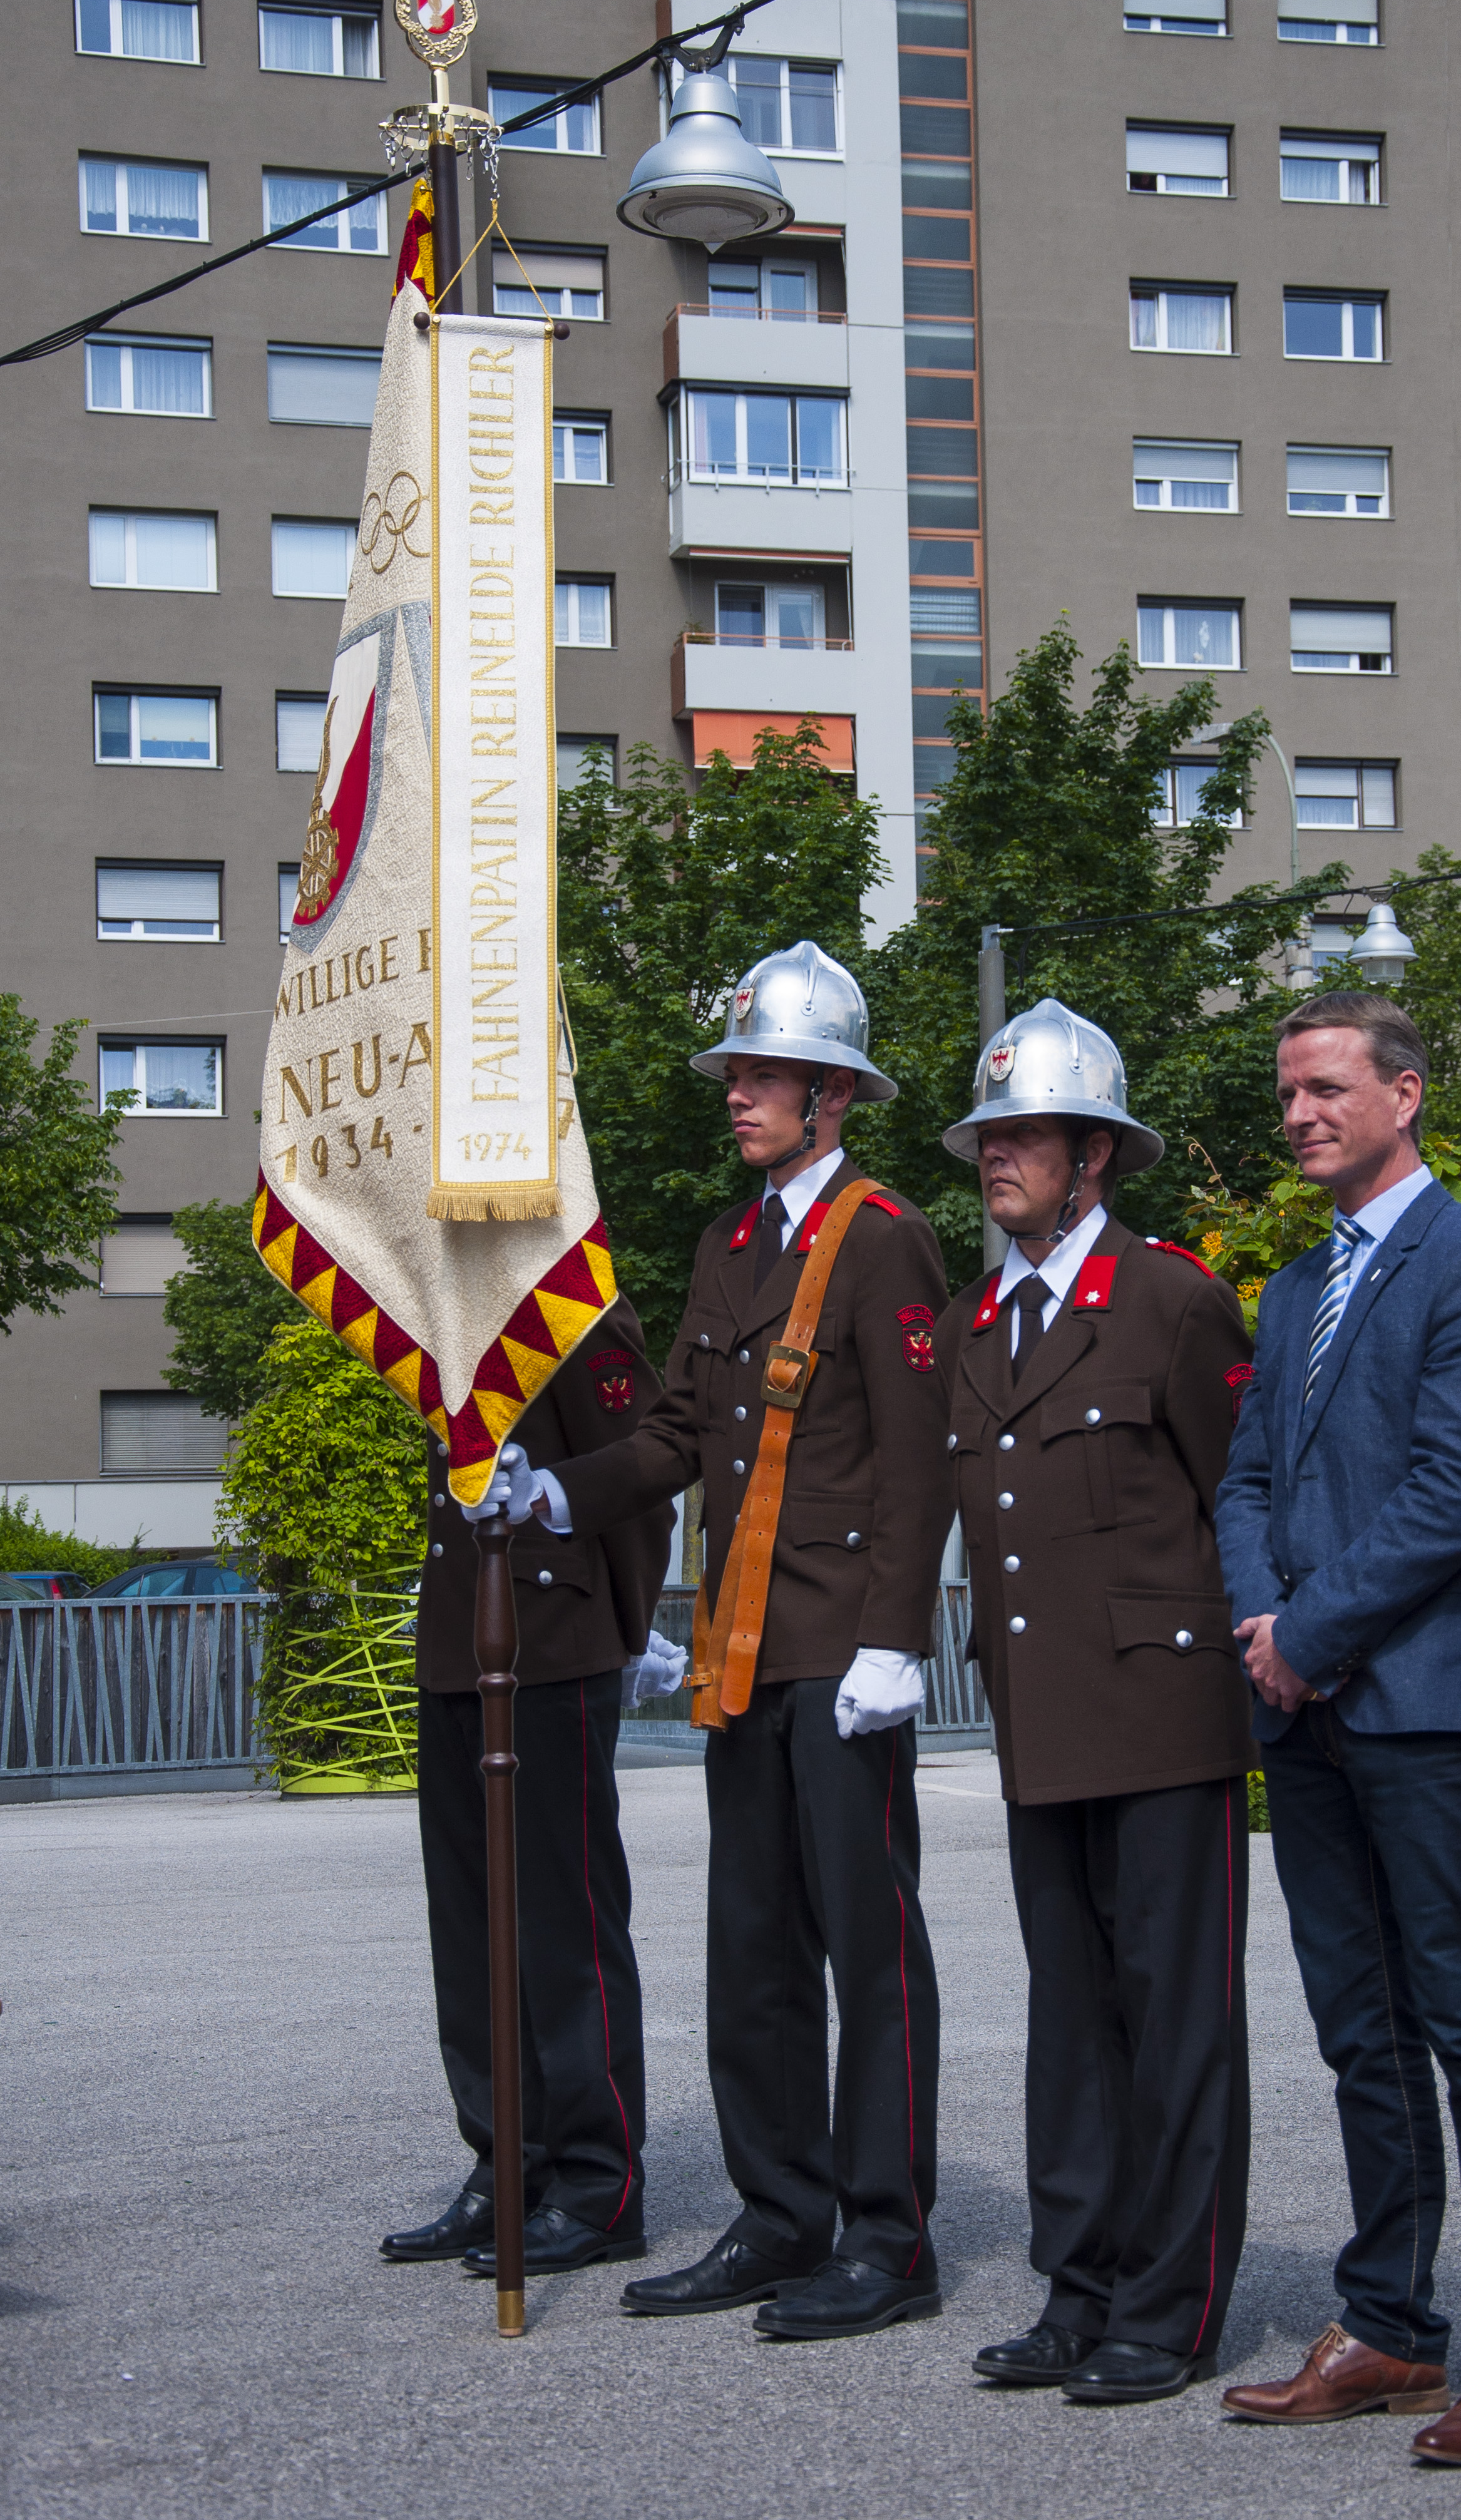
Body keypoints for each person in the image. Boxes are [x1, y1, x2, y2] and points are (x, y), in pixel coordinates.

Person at [1214, 986, 1461, 2469]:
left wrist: (1305, 1634)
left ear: (1404, 1092)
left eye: (1322, 1087)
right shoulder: (1295, 1287)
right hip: (1300, 1712)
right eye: (1285, 1092)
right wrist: (1262, 1625)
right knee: (1355, 2025)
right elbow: (1244, 1477)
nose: (1297, 1112)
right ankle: (1386, 2322)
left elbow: (1452, 1491)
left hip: (1427, 1706)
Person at [571, 941, 954, 2340]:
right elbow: (678, 1429)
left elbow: (920, 1458)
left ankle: (886, 2234)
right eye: (736, 1071)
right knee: (753, 1946)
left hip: (840, 1649)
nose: (738, 1092)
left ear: (831, 1094)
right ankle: (780, 2211)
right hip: (743, 1649)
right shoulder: (731, 1243)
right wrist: (568, 1485)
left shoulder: (883, 1235)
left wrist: (894, 1636)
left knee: (869, 1945)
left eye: (765, 1073)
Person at [933, 1000, 1256, 2407]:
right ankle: (1081, 2280)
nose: (997, 1156)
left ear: (1093, 1158)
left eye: (1025, 1136)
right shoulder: (972, 1316)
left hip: (1163, 1708)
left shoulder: (1172, 1300)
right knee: (1068, 2017)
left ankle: (1168, 2304)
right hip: (1039, 1713)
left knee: (1172, 2018)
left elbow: (1235, 1488)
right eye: (988, 1135)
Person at [379, 1293, 681, 2278]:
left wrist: (626, 1635)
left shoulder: (573, 1301)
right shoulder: (438, 1305)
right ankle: (505, 2163)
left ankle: (599, 2184)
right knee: (470, 1930)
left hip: (553, 1642)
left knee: (567, 1927)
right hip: (459, 1645)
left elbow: (642, 1479)